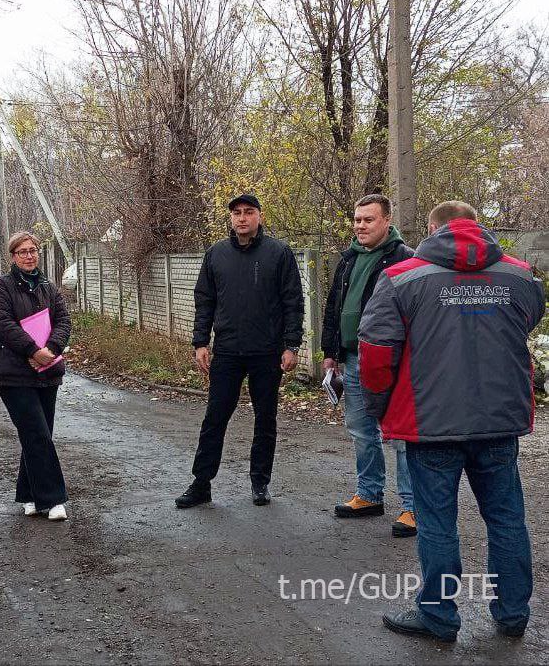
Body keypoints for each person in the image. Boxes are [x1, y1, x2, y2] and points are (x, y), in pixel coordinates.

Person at [359, 201, 544, 643]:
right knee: (506, 518)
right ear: (476, 227)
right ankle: (513, 612)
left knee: (437, 522)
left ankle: (439, 616)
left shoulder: (401, 278)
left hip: (431, 423)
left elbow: (376, 351)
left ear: (432, 229)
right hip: (499, 421)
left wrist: (379, 407)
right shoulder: (520, 276)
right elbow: (528, 320)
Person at [176, 194, 304, 509]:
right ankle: (201, 483)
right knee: (215, 417)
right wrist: (200, 342)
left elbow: (293, 302)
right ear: (231, 218)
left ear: (259, 216)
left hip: (267, 352)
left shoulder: (279, 253)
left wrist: (291, 345)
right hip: (228, 351)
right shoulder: (216, 254)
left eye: (248, 212)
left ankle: (260, 482)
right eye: (236, 213)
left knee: (265, 419)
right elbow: (204, 301)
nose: (242, 218)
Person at [321, 194, 417, 537]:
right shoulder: (348, 259)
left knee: (400, 434)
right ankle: (369, 494)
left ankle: (413, 506)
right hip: (352, 358)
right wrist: (330, 351)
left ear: (387, 221)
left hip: (390, 361)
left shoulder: (404, 258)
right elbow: (334, 307)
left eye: (368, 219)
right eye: (357, 220)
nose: (360, 226)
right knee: (361, 429)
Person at [0, 231, 72, 521]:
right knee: (36, 433)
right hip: (14, 374)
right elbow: (2, 324)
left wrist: (51, 349)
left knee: (39, 434)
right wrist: (33, 351)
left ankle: (29, 494)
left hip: (47, 370)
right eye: (22, 251)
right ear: (13, 256)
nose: (29, 256)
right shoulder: (1, 287)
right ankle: (54, 499)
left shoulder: (49, 287)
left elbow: (63, 321)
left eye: (33, 250)